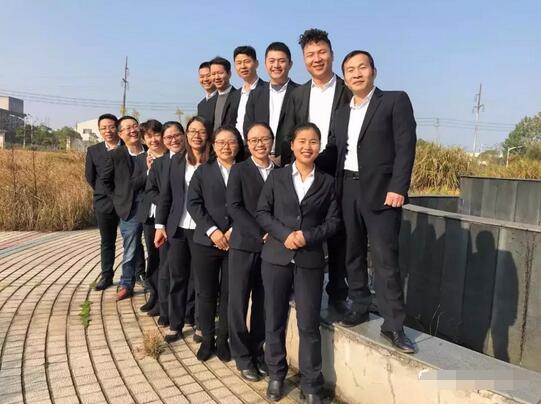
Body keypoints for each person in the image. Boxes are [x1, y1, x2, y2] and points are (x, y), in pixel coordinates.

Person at [327, 50, 417, 353]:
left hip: (382, 192)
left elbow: (406, 146)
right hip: (346, 189)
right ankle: (360, 305)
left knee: (385, 258)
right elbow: (334, 151)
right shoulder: (341, 112)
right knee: (351, 253)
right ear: (345, 78)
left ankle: (393, 325)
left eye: (362, 67)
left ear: (373, 71)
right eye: (350, 70)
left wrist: (398, 187)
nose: (356, 74)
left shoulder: (394, 101)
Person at [256, 123, 340, 403]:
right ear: (291, 145)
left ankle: (311, 383)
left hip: (309, 260)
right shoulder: (277, 176)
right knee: (274, 319)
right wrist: (285, 235)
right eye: (301, 141)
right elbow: (262, 212)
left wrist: (307, 236)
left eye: (313, 141)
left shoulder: (327, 182)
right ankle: (276, 374)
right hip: (276, 257)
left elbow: (334, 221)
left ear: (319, 147)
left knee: (309, 323)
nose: (307, 146)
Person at [283, 28, 351, 315]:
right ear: (304, 60)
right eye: (310, 54)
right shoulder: (297, 94)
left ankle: (338, 293)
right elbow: (290, 132)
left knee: (337, 233)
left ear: (332, 54)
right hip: (303, 172)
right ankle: (295, 286)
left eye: (322, 52)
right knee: (300, 226)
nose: (317, 58)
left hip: (337, 173)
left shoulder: (347, 90)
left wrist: (320, 159)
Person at [187, 126, 245, 361]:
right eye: (220, 142)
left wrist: (232, 231)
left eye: (231, 142)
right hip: (206, 242)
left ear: (238, 145)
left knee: (230, 294)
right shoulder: (203, 171)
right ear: (213, 146)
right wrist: (213, 231)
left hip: (236, 242)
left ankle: (223, 340)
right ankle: (207, 339)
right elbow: (193, 203)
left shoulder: (245, 171)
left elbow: (252, 205)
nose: (226, 147)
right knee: (206, 293)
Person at [155, 117, 212, 343]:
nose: (196, 135)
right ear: (187, 134)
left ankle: (199, 323)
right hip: (177, 228)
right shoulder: (177, 161)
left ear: (208, 134)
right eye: (192, 131)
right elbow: (166, 195)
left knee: (200, 280)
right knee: (177, 277)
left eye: (201, 131)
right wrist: (160, 225)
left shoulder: (213, 161)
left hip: (203, 228)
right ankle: (175, 324)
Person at [227, 122, 274, 382]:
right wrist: (260, 232)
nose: (259, 144)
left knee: (263, 303)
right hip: (244, 245)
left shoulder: (280, 171)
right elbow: (234, 206)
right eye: (254, 140)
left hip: (271, 249)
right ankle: (242, 356)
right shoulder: (240, 170)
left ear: (272, 140)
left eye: (264, 139)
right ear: (247, 143)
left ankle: (257, 351)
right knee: (238, 302)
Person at [137, 120, 184, 316]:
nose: (153, 139)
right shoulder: (143, 159)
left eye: (157, 134)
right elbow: (144, 188)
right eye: (148, 136)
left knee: (166, 261)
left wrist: (169, 203)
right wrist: (148, 171)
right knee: (154, 259)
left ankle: (164, 301)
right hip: (150, 217)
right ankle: (155, 296)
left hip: (170, 218)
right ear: (143, 139)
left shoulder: (175, 157)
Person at [102, 116, 147, 301]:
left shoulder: (151, 151)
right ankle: (126, 283)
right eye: (127, 128)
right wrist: (118, 197)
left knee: (156, 246)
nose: (132, 130)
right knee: (130, 247)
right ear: (120, 134)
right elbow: (105, 180)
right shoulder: (116, 155)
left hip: (153, 205)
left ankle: (154, 281)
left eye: (135, 126)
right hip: (129, 208)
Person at [243, 42, 299, 164]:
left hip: (290, 162)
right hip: (259, 160)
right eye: (272, 61)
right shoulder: (255, 94)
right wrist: (261, 156)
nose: (276, 65)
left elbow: (302, 130)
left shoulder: (300, 93)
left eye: (281, 61)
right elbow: (248, 129)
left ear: (290, 64)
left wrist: (284, 158)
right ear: (265, 64)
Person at [85, 113, 122, 291]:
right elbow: (90, 177)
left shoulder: (129, 146)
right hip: (104, 202)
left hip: (128, 202)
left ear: (118, 128)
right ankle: (106, 275)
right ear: (99, 130)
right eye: (103, 128)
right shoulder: (93, 150)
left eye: (111, 127)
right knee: (107, 241)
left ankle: (139, 274)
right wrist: (104, 193)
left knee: (133, 239)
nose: (108, 131)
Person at [226, 46, 267, 138]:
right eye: (238, 63)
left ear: (256, 63)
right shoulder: (234, 95)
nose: (243, 66)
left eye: (247, 61)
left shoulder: (267, 90)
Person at [207, 57, 237, 130]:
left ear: (229, 74)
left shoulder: (239, 97)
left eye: (220, 73)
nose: (217, 77)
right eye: (213, 74)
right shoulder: (210, 101)